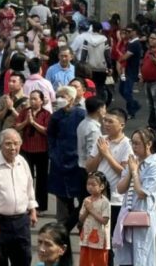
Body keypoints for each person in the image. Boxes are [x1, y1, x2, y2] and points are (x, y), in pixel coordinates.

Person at [113, 128, 156, 266]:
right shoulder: (133, 162)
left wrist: (135, 172)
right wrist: (130, 172)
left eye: (137, 144)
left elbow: (142, 193)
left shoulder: (155, 167)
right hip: (127, 215)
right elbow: (120, 188)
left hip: (143, 217)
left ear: (148, 144)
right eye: (132, 143)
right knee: (125, 256)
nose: (134, 147)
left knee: (142, 256)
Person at [0, 128, 38, 266]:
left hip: (21, 221)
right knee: (0, 260)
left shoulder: (22, 161)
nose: (13, 148)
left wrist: (32, 209)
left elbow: (29, 187)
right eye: (8, 143)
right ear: (1, 144)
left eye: (16, 143)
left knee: (23, 259)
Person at [91, 107, 132, 266]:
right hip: (98, 197)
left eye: (110, 121)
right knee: (98, 239)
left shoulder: (127, 145)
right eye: (105, 120)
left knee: (113, 241)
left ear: (121, 125)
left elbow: (124, 172)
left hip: (116, 200)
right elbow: (89, 167)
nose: (105, 124)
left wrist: (107, 154)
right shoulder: (101, 140)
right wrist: (100, 154)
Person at [48, 86, 86, 234]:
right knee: (62, 195)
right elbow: (50, 136)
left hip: (78, 161)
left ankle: (80, 222)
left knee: (81, 195)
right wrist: (53, 153)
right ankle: (62, 225)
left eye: (63, 96)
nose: (59, 99)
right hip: (59, 160)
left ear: (71, 98)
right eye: (58, 96)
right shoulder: (56, 116)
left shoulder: (82, 115)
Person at [17, 89, 52, 213]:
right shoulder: (24, 112)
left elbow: (47, 131)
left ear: (41, 101)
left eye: (35, 99)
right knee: (27, 177)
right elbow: (17, 126)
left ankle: (40, 206)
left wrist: (33, 123)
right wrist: (26, 122)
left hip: (42, 149)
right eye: (31, 98)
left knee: (42, 179)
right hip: (26, 148)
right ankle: (27, 204)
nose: (32, 101)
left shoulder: (47, 114)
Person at [79, 171, 111, 266]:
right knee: (85, 262)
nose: (90, 187)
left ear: (101, 187)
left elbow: (104, 221)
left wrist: (91, 210)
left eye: (93, 184)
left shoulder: (105, 202)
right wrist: (86, 210)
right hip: (86, 238)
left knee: (98, 263)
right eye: (88, 184)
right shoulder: (86, 200)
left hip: (99, 240)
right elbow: (81, 219)